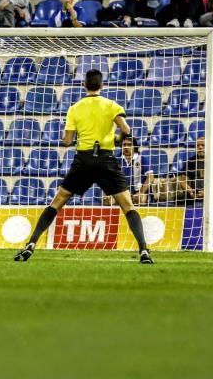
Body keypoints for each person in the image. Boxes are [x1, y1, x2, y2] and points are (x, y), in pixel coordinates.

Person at [14, 68, 153, 265]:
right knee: (128, 205)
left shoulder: (75, 108)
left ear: (84, 85)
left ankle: (31, 243)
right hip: (106, 158)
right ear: (102, 85)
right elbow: (127, 130)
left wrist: (78, 134)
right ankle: (143, 250)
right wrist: (117, 139)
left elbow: (67, 141)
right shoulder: (110, 105)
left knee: (58, 201)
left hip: (84, 160)